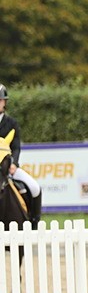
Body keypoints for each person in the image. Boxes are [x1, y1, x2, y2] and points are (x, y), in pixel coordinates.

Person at [0, 83, 43, 227]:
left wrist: (14, 164)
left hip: (7, 167)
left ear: (4, 102)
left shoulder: (11, 123)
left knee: (35, 187)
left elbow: (16, 147)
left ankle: (34, 222)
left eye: (0, 101)